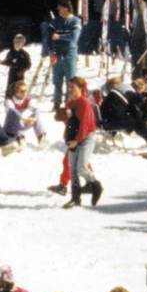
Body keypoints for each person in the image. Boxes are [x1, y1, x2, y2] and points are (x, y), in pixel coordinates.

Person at [62, 76, 103, 208]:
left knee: (82, 167)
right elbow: (69, 121)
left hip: (86, 137)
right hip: (74, 137)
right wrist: (65, 114)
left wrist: (76, 141)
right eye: (69, 87)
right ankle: (75, 197)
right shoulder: (70, 102)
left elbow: (84, 125)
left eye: (73, 87)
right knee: (72, 167)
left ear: (80, 88)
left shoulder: (84, 103)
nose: (70, 90)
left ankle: (95, 185)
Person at [43, 3, 83, 107]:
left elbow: (74, 37)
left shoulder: (75, 21)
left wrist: (60, 37)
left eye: (60, 8)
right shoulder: (55, 21)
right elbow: (49, 38)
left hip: (69, 54)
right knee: (57, 80)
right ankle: (57, 102)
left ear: (67, 8)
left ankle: (69, 103)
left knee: (71, 80)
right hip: (57, 54)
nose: (58, 10)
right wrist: (51, 52)